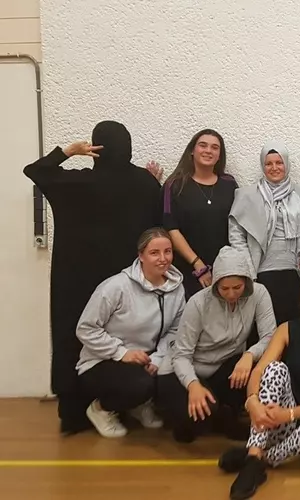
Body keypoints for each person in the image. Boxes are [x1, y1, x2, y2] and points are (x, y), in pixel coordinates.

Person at [23, 120, 163, 434]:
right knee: (128, 338)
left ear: (96, 148)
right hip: (126, 282)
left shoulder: (74, 183)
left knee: (75, 337)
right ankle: (123, 403)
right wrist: (150, 180)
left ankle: (75, 410)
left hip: (76, 281)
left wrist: (68, 151)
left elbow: (35, 171)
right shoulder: (144, 183)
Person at [219, 271, 300, 500]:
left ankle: (258, 457)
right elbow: (259, 370)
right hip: (279, 423)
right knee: (275, 369)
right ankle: (254, 458)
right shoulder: (287, 329)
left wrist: (288, 414)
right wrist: (252, 402)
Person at [157, 246, 277, 443]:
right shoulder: (198, 303)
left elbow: (269, 337)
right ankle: (209, 416)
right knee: (200, 416)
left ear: (246, 282)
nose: (231, 294)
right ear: (215, 285)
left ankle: (223, 412)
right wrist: (193, 385)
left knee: (264, 365)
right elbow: (181, 356)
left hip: (223, 368)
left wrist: (249, 355)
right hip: (181, 371)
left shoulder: (259, 294)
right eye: (224, 289)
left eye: (237, 288)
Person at [75, 227, 186, 438]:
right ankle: (101, 409)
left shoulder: (177, 289)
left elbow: (174, 330)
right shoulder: (116, 287)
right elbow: (86, 328)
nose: (163, 259)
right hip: (101, 362)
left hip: (146, 359)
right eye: (154, 253)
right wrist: (121, 353)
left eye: (168, 251)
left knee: (174, 374)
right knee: (140, 384)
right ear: (141, 256)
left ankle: (138, 405)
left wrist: (158, 357)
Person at [229, 142, 300, 325]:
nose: (274, 168)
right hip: (260, 272)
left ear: (286, 164)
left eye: (279, 163)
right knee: (263, 323)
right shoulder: (246, 195)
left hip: (295, 272)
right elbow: (236, 234)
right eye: (269, 163)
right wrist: (247, 269)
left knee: (292, 323)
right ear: (262, 166)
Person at [161, 129, 238, 299]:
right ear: (192, 151)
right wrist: (198, 265)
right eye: (203, 145)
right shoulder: (174, 185)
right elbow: (171, 228)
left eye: (214, 147)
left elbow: (237, 227)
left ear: (220, 155)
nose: (208, 151)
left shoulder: (230, 184)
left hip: (224, 270)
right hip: (188, 270)